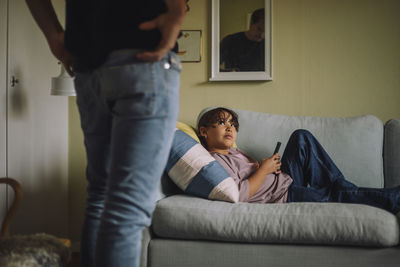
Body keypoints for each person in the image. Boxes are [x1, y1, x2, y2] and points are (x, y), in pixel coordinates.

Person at [25, 0, 188, 266]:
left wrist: (54, 35)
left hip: (89, 67)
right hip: (141, 56)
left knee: (100, 194)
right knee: (127, 206)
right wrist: (177, 10)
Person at [197, 107, 400, 214]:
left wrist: (266, 165)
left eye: (232, 124)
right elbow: (238, 193)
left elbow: (252, 173)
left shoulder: (234, 152)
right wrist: (263, 170)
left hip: (283, 180)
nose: (230, 128)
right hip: (284, 195)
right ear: (204, 132)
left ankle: (340, 187)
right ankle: (392, 198)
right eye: (222, 123)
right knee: (333, 194)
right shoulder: (215, 161)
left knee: (301, 137)